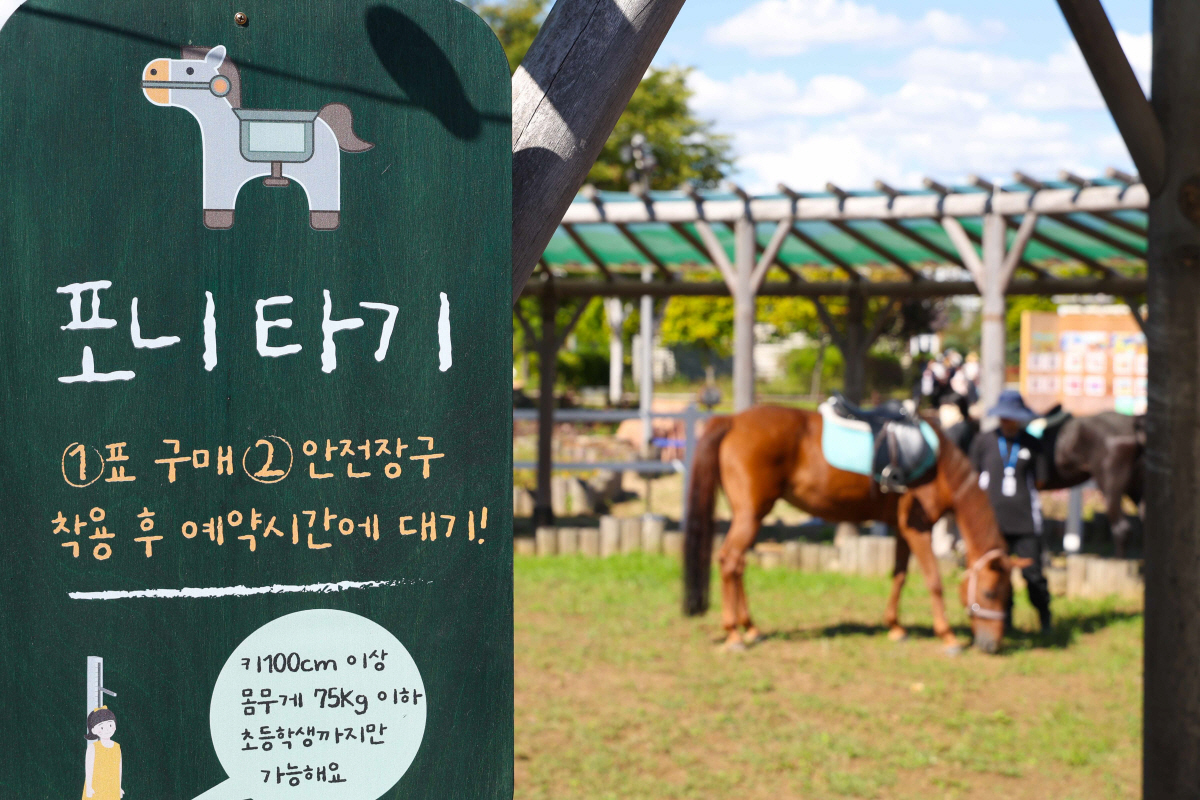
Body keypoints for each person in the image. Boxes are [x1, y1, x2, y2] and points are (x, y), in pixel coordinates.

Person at [968, 390, 1052, 633]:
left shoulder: (1032, 444)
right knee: (997, 576)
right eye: (1004, 417)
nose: (1008, 422)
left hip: (1026, 521)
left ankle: (1044, 617)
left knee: (1033, 575)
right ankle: (1005, 621)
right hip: (992, 523)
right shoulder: (984, 441)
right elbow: (974, 478)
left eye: (1012, 417)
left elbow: (1040, 481)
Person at [83, 706, 123, 800]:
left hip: (112, 788)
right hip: (96, 787)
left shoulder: (117, 747)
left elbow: (119, 769)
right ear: (93, 730)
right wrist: (89, 787)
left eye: (110, 725)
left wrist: (119, 787)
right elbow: (88, 769)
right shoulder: (93, 747)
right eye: (101, 727)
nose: (107, 729)